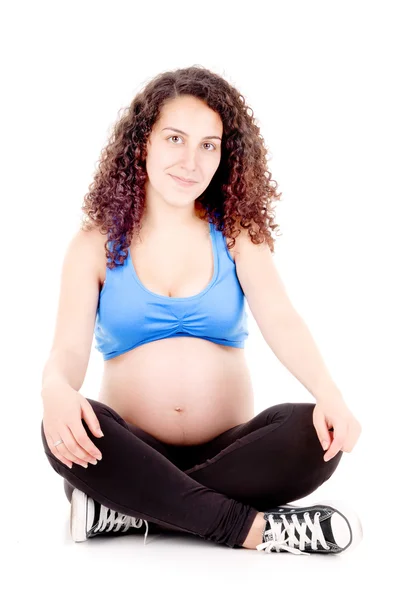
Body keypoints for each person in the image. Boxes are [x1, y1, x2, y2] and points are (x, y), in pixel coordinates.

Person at [40, 65, 363, 555]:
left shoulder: (235, 234)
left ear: (223, 156)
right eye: (175, 138)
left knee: (313, 436)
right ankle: (253, 529)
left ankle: (132, 508)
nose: (191, 161)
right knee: (64, 430)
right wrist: (55, 391)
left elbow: (281, 319)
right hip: (133, 448)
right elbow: (67, 350)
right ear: (142, 143)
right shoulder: (94, 243)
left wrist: (330, 393)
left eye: (208, 145)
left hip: (231, 449)